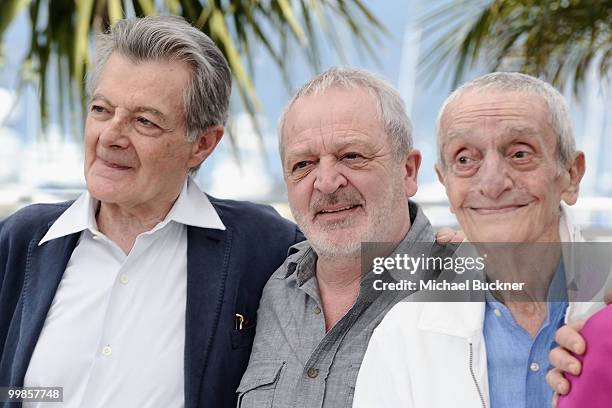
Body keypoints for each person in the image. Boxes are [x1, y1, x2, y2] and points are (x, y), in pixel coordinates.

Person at [0, 16, 302, 408]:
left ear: (203, 144)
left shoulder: (263, 244)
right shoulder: (22, 239)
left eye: (144, 121)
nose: (111, 136)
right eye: (101, 110)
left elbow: (375, 278)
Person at [353, 72, 603, 408]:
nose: (492, 183)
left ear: (571, 175)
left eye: (520, 153)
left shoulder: (607, 307)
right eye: (465, 159)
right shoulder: (402, 335)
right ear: (445, 183)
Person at [236, 67, 439, 407]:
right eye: (303, 164)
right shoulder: (271, 288)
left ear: (408, 171)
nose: (327, 182)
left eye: (351, 156)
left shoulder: (477, 283)